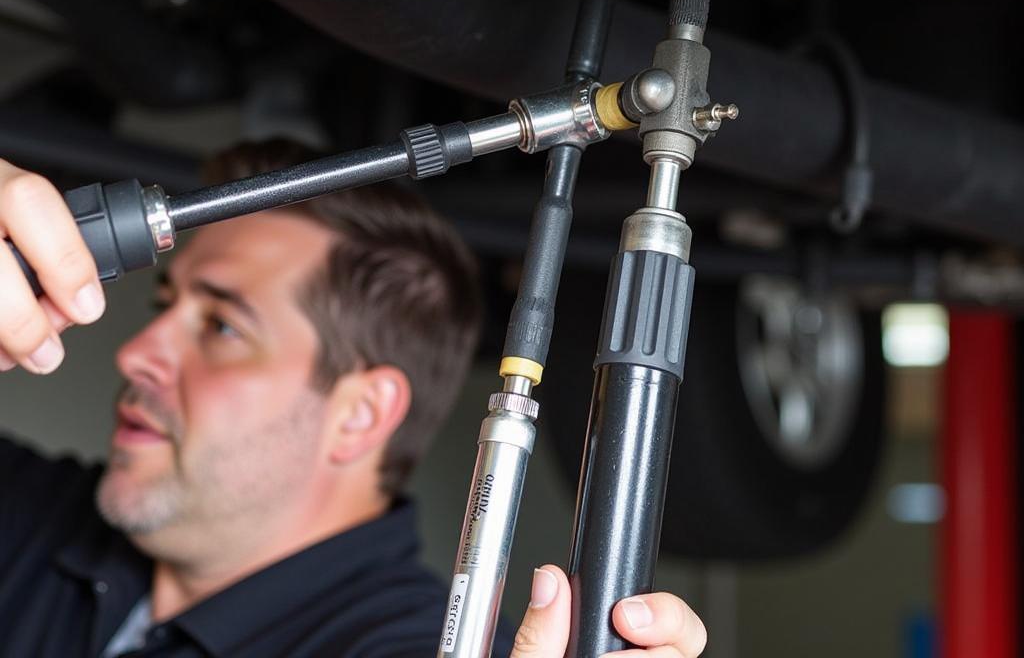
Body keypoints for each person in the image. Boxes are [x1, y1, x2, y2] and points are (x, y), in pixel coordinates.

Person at [0, 145, 707, 658]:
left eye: (220, 325)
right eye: (166, 304)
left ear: (360, 414)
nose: (135, 354)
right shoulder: (30, 514)